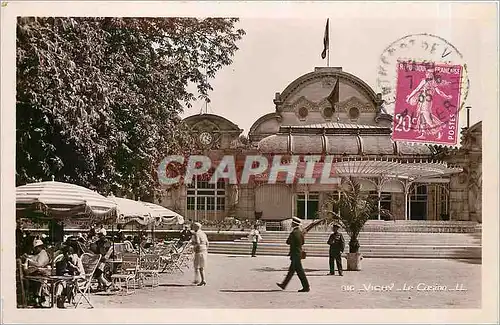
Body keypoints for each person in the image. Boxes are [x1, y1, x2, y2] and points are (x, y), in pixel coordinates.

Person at [405, 67, 452, 139]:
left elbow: (439, 92)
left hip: (427, 101)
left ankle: (440, 130)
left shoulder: (433, 82)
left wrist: (446, 96)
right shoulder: (424, 81)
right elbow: (417, 89)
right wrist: (409, 97)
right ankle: (423, 134)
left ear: (433, 74)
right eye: (427, 72)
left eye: (430, 73)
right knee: (422, 117)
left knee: (427, 117)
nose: (428, 74)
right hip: (422, 100)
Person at [276, 217, 310, 292]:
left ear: (294, 224)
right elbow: (303, 242)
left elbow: (287, 242)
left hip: (295, 254)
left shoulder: (294, 232)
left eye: (292, 223)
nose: (291, 224)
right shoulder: (301, 232)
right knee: (292, 271)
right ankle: (284, 284)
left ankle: (306, 287)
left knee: (300, 271)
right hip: (298, 253)